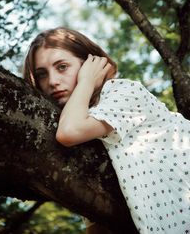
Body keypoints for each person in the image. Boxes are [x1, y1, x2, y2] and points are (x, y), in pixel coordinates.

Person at [23, 27, 190, 234]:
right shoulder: (83, 131)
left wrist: (86, 81)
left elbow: (69, 133)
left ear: (91, 64)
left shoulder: (123, 91)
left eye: (63, 67)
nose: (53, 81)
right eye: (42, 75)